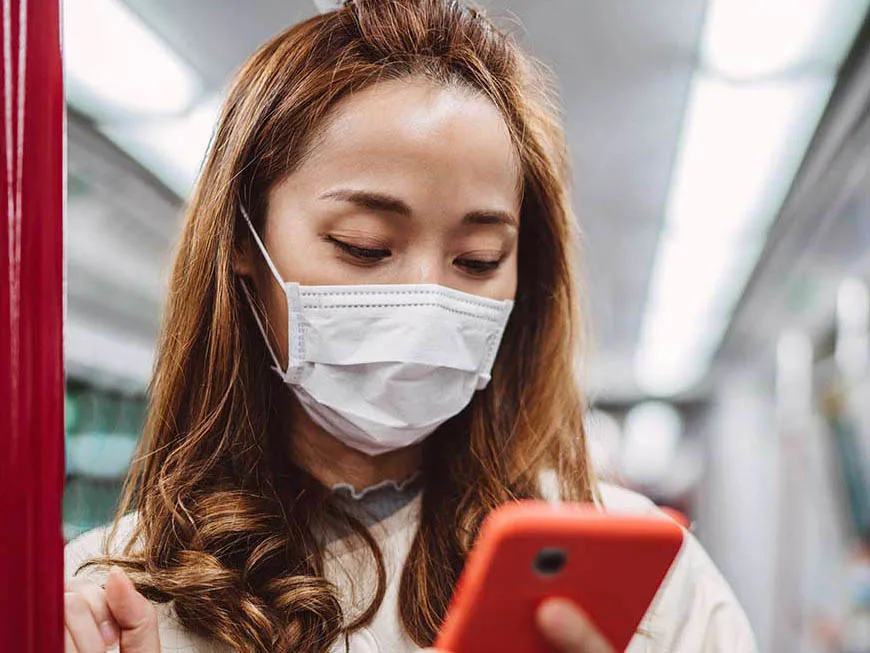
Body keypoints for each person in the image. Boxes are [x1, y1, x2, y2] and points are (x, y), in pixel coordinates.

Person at [63, 1, 757, 651]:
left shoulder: (648, 587)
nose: (427, 299)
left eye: (478, 260)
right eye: (365, 245)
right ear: (245, 242)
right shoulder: (112, 595)